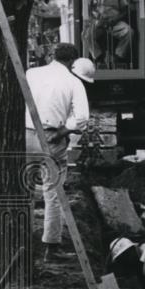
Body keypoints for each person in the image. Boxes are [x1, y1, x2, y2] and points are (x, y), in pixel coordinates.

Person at [25, 42, 90, 262]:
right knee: (52, 193)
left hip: (25, 134)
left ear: (52, 56)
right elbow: (82, 118)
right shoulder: (73, 82)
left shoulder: (31, 73)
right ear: (73, 61)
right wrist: (62, 131)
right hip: (52, 137)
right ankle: (50, 248)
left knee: (24, 190)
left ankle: (21, 242)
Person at [89, 0, 131, 66]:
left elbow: (125, 10)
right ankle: (99, 58)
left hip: (114, 22)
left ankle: (117, 57)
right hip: (98, 22)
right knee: (86, 35)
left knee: (129, 32)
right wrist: (96, 20)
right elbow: (89, 9)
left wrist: (115, 19)